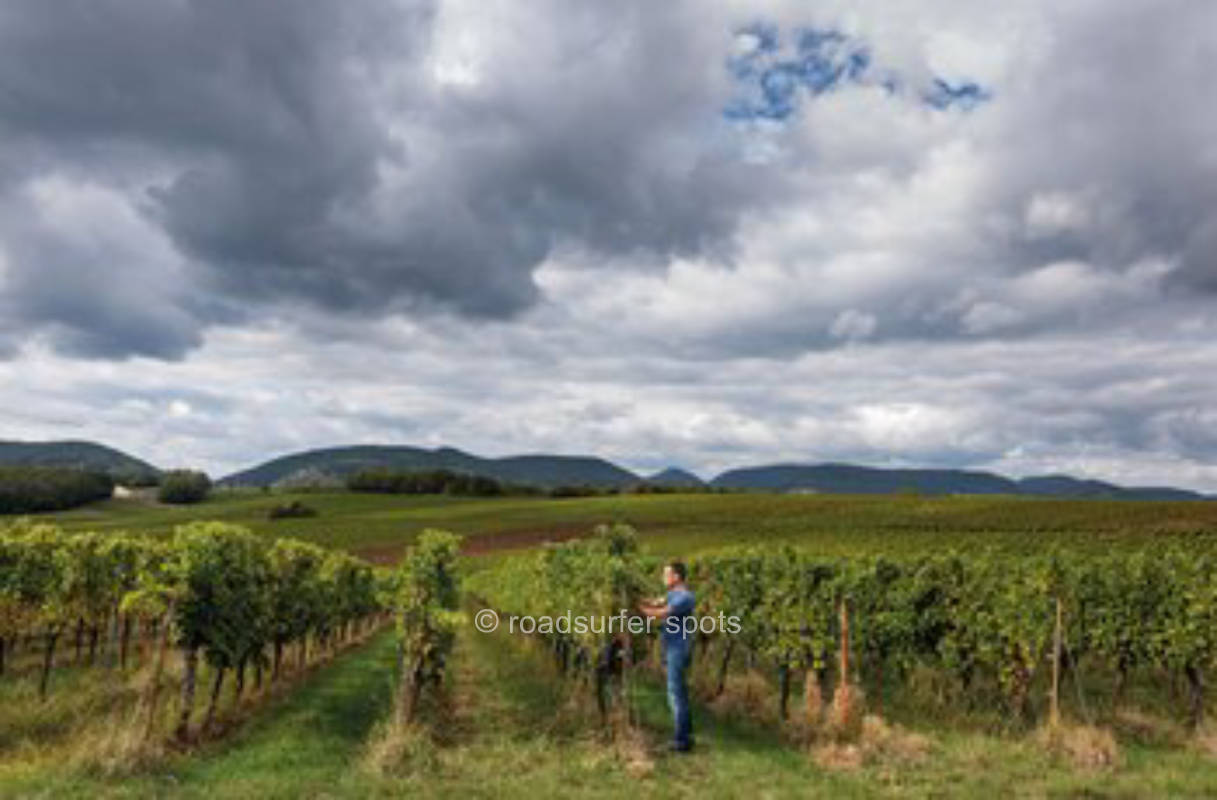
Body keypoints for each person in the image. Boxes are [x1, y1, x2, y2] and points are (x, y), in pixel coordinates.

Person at [639, 561, 696, 752]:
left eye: (666, 574)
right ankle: (686, 736)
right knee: (679, 692)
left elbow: (661, 612)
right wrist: (638, 599)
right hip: (672, 648)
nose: (663, 578)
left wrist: (641, 612)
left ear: (677, 577)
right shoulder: (672, 595)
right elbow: (656, 602)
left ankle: (681, 742)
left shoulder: (685, 598)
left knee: (675, 694)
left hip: (678, 649)